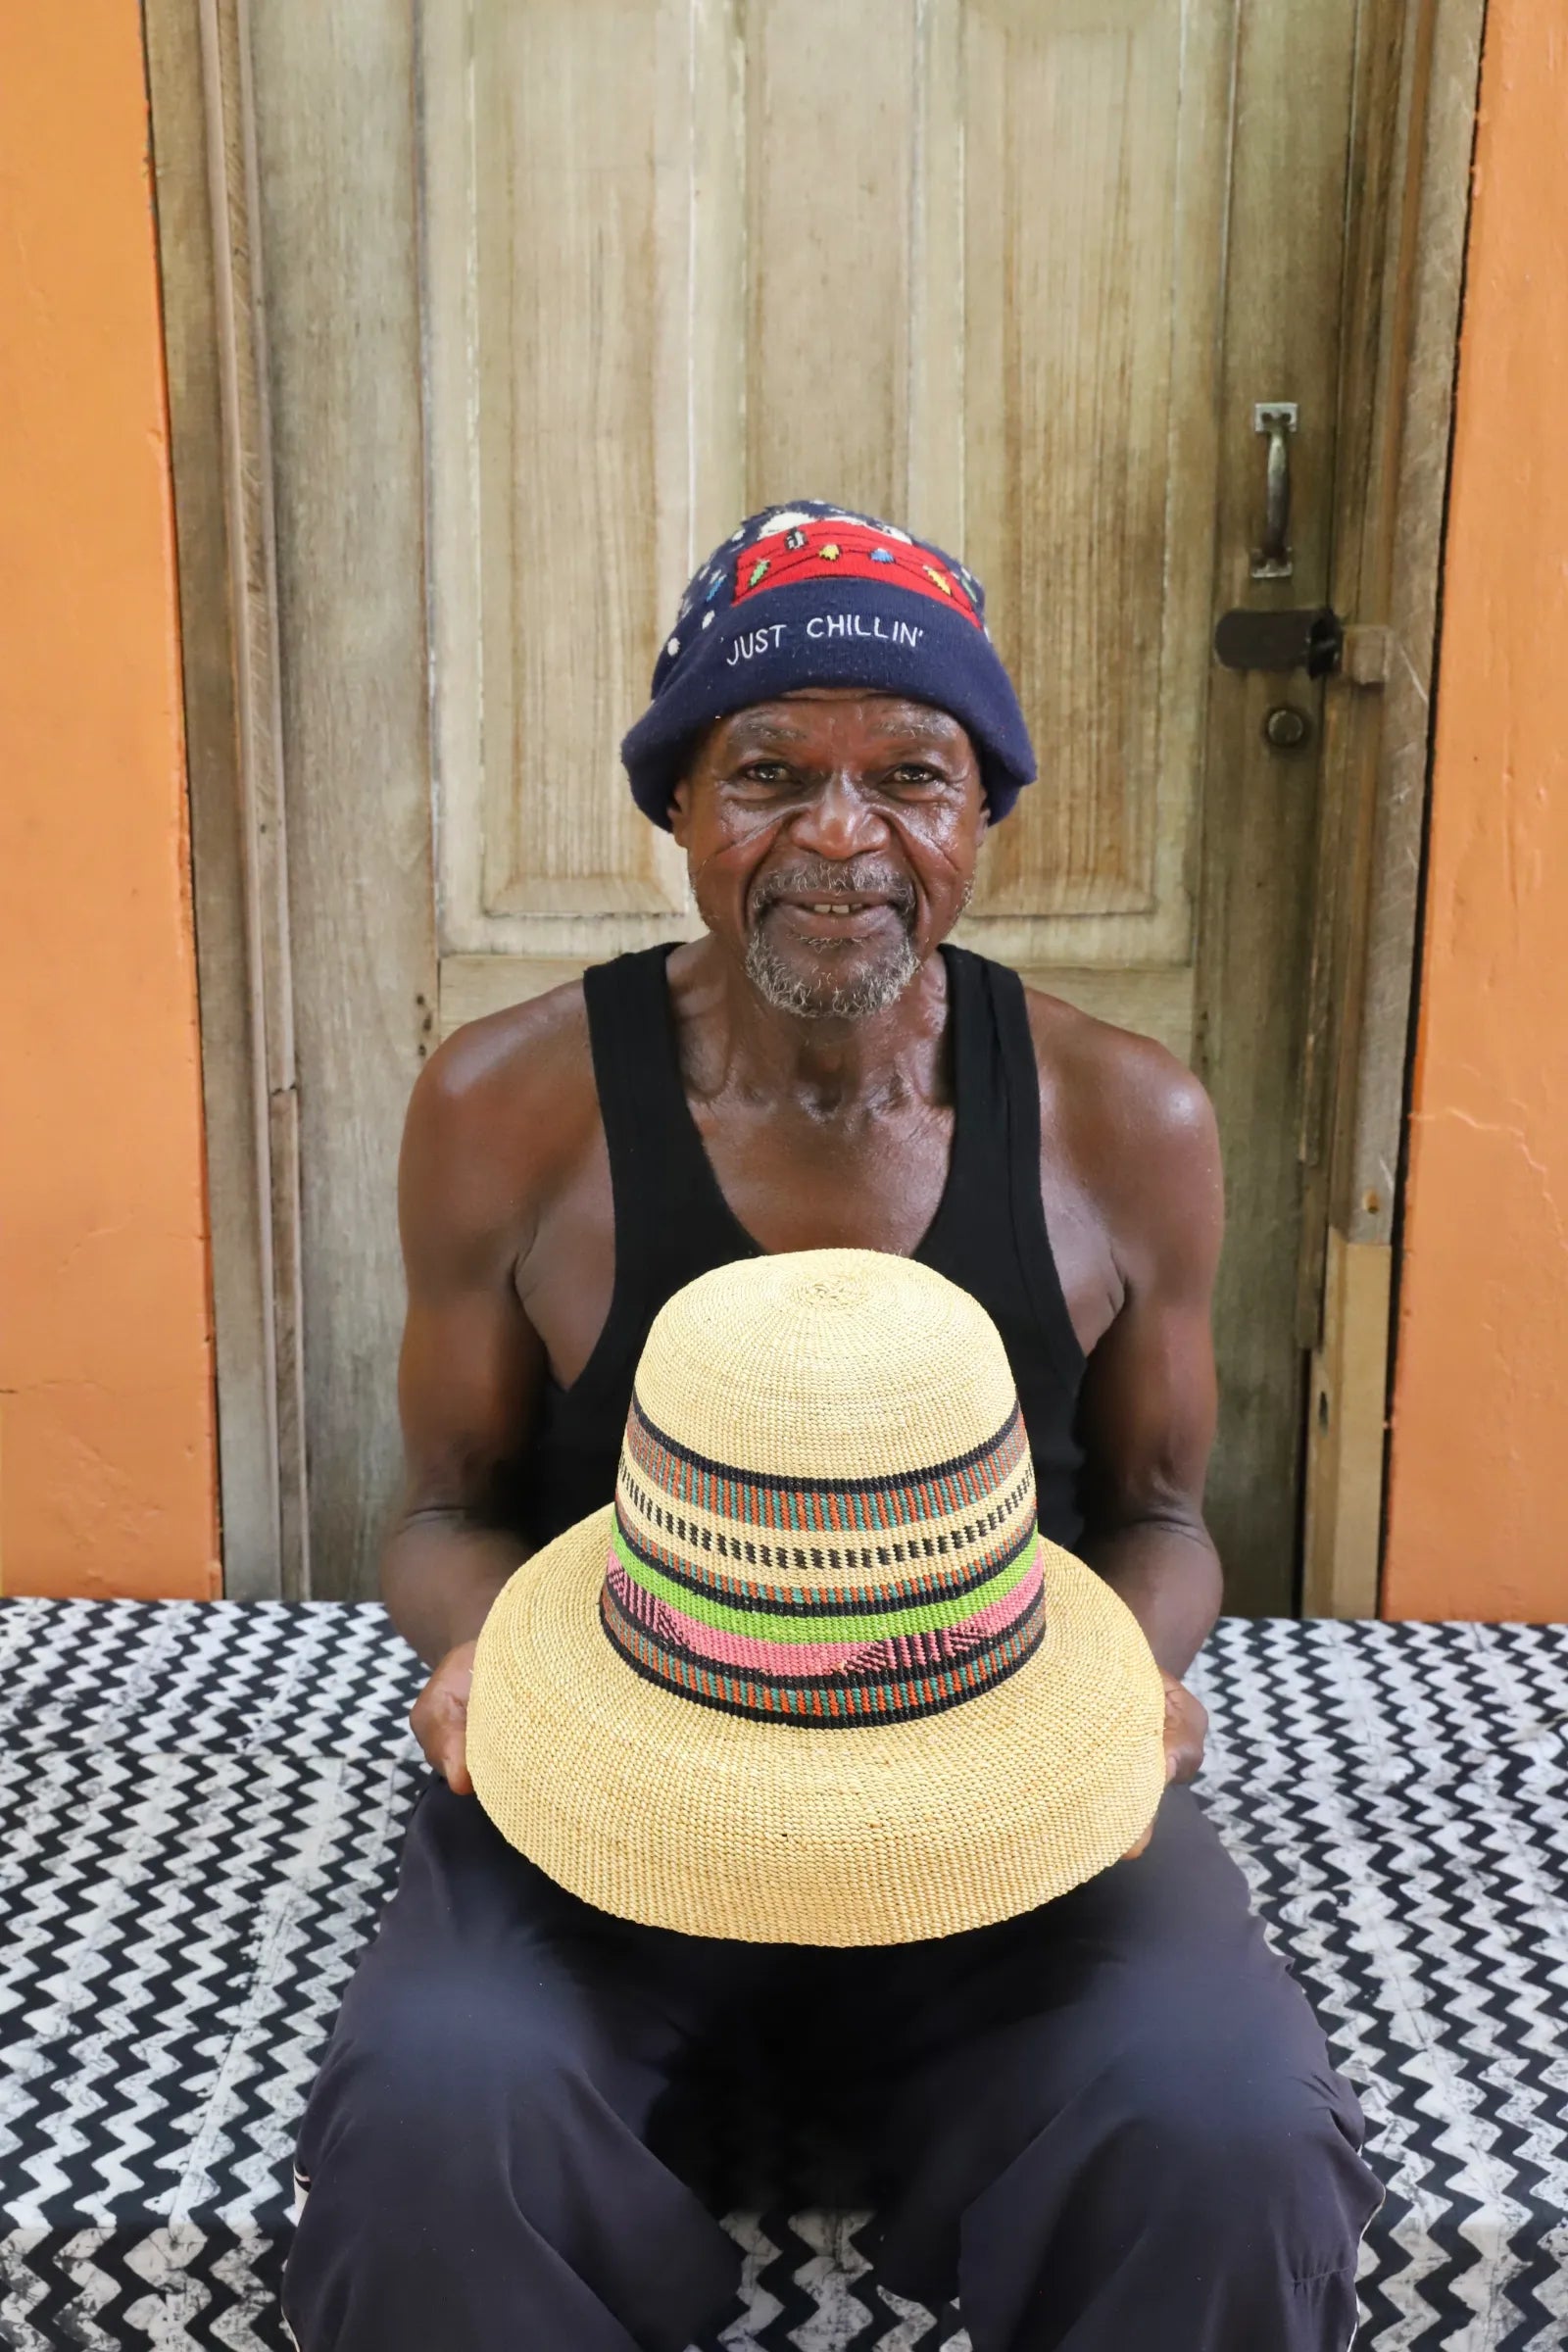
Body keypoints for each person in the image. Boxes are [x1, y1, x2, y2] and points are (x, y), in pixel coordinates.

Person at [283, 503, 1379, 2352]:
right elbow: (447, 1508)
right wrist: (479, 1657)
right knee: (432, 2141)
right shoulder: (507, 1105)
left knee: (1227, 2134)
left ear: (985, 809)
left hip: (993, 1781)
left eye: (912, 776)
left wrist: (1127, 1684)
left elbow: (1166, 1520)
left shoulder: (1127, 1121)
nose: (842, 837)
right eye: (770, 772)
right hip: (617, 1769)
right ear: (678, 804)